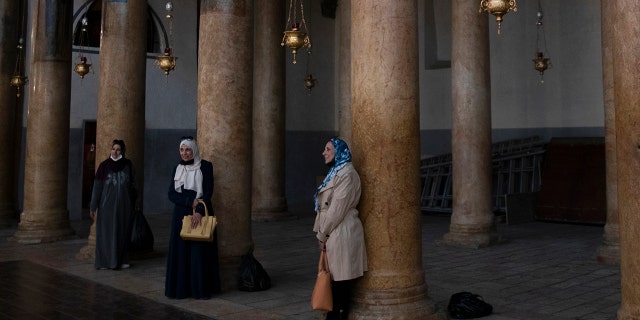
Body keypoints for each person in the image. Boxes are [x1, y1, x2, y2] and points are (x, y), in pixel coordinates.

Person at [313, 137, 368, 320]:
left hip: (341, 232)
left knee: (340, 283)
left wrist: (322, 235)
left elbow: (336, 211)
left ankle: (337, 316)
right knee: (336, 281)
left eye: (328, 149)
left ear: (339, 152)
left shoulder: (347, 174)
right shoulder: (336, 172)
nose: (324, 152)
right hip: (334, 232)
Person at [165, 136, 221, 299]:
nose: (185, 153)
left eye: (188, 149)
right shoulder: (177, 168)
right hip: (181, 215)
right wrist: (190, 202)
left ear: (194, 150)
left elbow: (208, 192)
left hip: (200, 213)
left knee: (199, 254)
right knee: (181, 253)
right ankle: (181, 290)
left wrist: (198, 212)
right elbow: (171, 194)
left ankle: (199, 290)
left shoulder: (206, 166)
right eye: (182, 150)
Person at [90, 139, 137, 270]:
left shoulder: (128, 165)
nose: (115, 152)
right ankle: (104, 262)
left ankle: (121, 260)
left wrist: (135, 204)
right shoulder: (104, 166)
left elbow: (134, 187)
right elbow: (97, 187)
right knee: (106, 234)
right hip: (106, 207)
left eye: (118, 149)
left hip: (124, 206)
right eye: (113, 149)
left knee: (122, 233)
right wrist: (93, 206)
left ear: (122, 151)